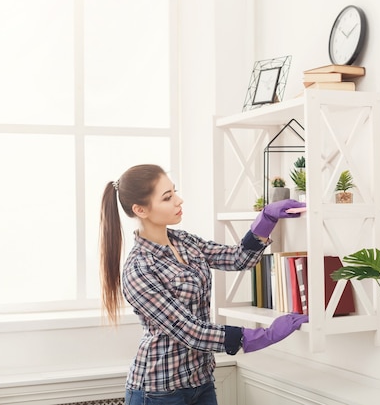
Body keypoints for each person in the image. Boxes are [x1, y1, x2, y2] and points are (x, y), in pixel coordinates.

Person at [99, 164, 308, 405]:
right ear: (140, 209)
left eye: (174, 192)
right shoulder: (139, 269)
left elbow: (238, 258)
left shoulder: (185, 242)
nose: (179, 200)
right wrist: (263, 336)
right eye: (167, 197)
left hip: (201, 380)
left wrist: (266, 219)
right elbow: (190, 331)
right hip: (159, 391)